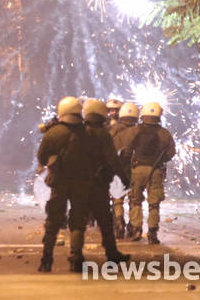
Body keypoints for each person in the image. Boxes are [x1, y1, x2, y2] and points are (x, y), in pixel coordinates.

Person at [36, 96, 94, 272]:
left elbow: (42, 157)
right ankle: (76, 257)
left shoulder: (53, 133)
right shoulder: (88, 132)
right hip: (81, 182)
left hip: (59, 182)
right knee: (78, 222)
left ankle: (46, 259)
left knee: (53, 221)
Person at [119, 102, 176, 244]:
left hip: (137, 170)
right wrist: (160, 160)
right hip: (156, 171)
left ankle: (136, 229)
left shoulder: (134, 131)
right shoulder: (164, 133)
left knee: (135, 200)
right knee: (154, 203)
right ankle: (152, 233)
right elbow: (171, 153)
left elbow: (126, 150)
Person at [82, 99, 130, 263]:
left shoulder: (78, 132)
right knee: (105, 219)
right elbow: (112, 159)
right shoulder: (104, 134)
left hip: (79, 182)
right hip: (98, 183)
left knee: (77, 220)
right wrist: (123, 178)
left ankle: (75, 254)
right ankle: (111, 253)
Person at [110, 102, 139, 239]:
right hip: (135, 168)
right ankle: (134, 226)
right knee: (134, 199)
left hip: (118, 168)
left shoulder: (113, 129)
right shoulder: (140, 130)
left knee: (117, 198)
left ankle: (119, 222)